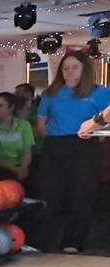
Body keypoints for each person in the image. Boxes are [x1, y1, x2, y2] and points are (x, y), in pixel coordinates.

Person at [35, 50, 110, 254]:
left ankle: (74, 240)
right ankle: (43, 239)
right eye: (66, 68)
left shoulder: (100, 93)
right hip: (55, 144)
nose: (70, 72)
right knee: (50, 193)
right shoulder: (51, 93)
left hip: (85, 145)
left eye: (75, 67)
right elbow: (41, 123)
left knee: (81, 194)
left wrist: (96, 128)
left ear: (85, 69)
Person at [0, 92, 35, 183]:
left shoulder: (24, 125)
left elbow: (27, 151)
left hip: (20, 167)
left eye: (0, 106)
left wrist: (23, 168)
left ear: (11, 108)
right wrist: (15, 170)